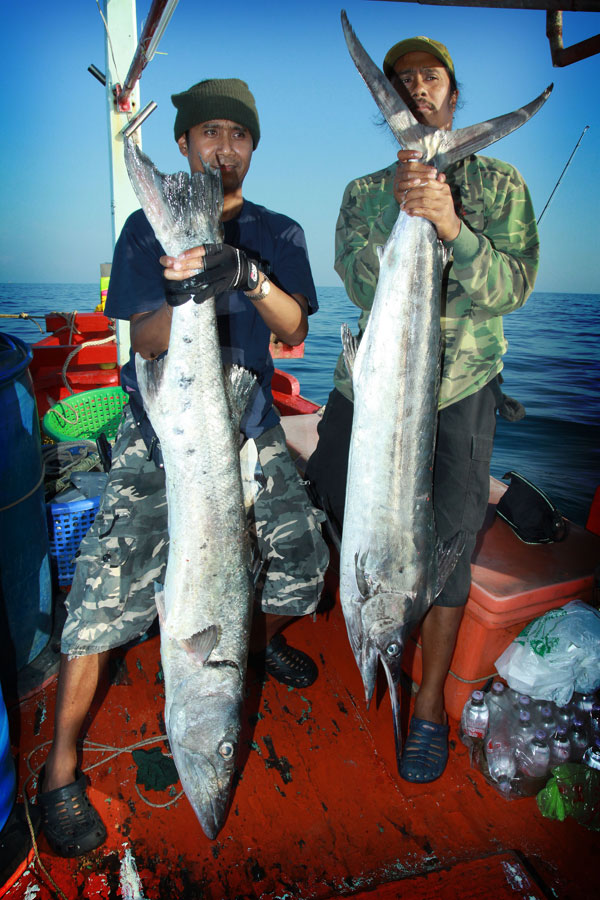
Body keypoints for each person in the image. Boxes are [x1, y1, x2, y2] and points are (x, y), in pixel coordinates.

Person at [38, 77, 329, 857]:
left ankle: (251, 636)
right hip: (169, 424)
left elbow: (296, 329)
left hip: (253, 422)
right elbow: (153, 342)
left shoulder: (281, 231)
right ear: (185, 145)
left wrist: (243, 274)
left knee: (305, 565)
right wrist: (182, 284)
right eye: (209, 134)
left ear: (253, 148)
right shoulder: (145, 229)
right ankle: (58, 773)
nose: (223, 148)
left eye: (238, 135)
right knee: (100, 597)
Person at [306, 37, 539, 783]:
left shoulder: (500, 183)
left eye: (428, 77)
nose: (414, 90)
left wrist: (451, 225)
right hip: (373, 395)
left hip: (464, 393)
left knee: (450, 556)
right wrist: (409, 213)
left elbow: (511, 289)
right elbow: (363, 289)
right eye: (400, 82)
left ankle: (430, 705)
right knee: (330, 506)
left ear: (453, 93)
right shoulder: (363, 194)